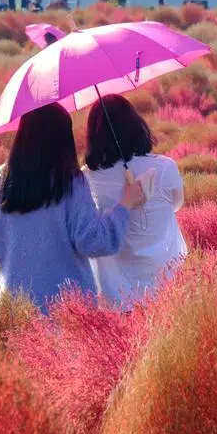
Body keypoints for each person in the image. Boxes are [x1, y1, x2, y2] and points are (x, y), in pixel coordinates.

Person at [0, 102, 145, 313]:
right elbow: (94, 241)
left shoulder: (2, 177)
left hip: (16, 308)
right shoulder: (70, 181)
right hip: (68, 312)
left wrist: (19, 252)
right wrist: (124, 205)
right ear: (63, 139)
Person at [83, 95, 187, 309]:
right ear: (136, 125)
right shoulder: (166, 167)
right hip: (166, 286)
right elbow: (176, 205)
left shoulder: (86, 178)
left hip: (114, 295)